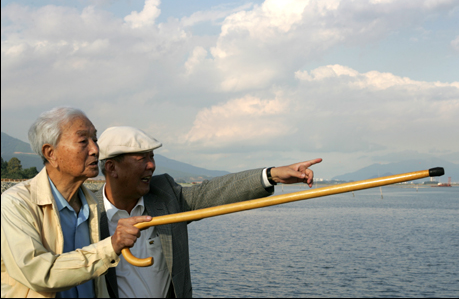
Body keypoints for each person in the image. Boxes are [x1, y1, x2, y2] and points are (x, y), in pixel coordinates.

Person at [95, 126, 322, 298]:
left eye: (152, 157)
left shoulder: (165, 195)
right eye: (141, 158)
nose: (151, 165)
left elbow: (214, 191)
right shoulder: (86, 214)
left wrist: (271, 175)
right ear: (111, 168)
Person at [1, 107, 152, 298]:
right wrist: (111, 246)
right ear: (50, 153)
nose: (95, 150)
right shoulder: (16, 204)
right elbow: (39, 273)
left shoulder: (92, 205)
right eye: (83, 141)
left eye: (95, 140)